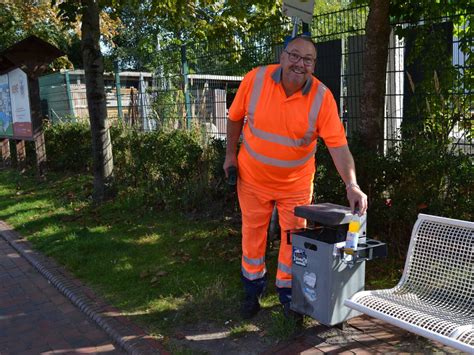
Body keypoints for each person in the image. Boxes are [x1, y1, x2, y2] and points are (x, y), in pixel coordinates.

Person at [223, 35, 368, 320]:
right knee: (253, 235)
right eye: (294, 56)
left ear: (314, 66)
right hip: (252, 178)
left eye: (308, 60)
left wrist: (352, 185)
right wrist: (230, 155)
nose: (300, 64)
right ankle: (252, 292)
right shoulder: (255, 79)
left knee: (294, 241)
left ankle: (290, 298)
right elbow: (235, 117)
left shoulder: (322, 98)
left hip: (295, 184)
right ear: (282, 55)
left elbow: (338, 147)